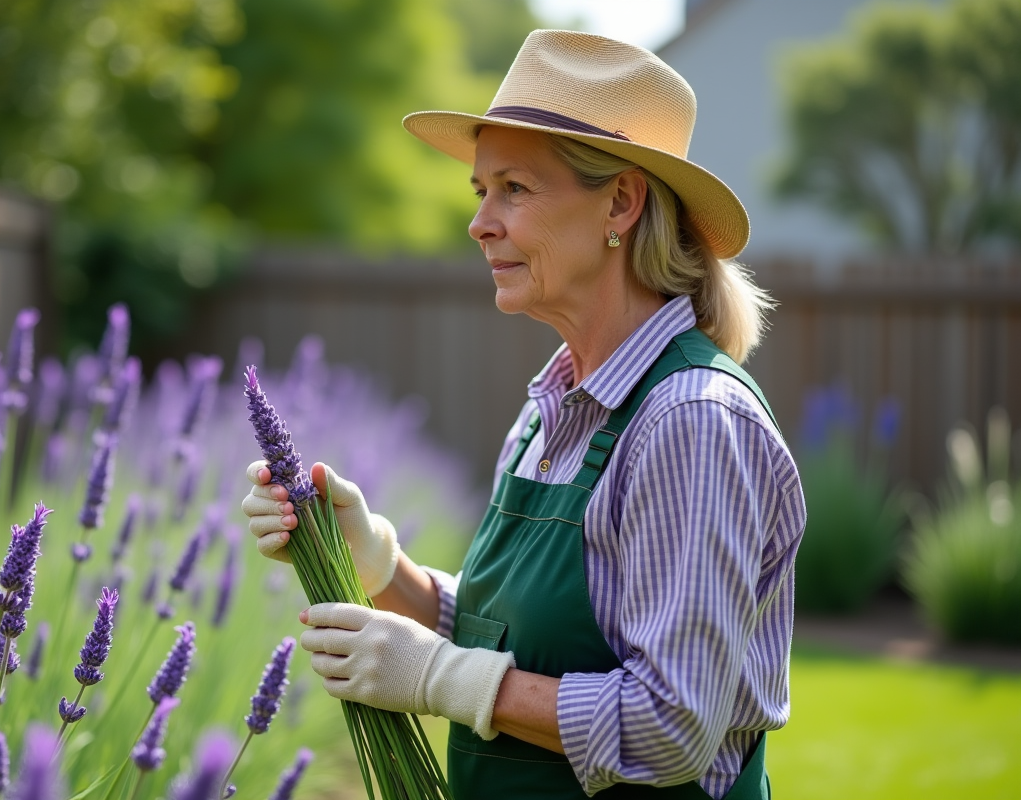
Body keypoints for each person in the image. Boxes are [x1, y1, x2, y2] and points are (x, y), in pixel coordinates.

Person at [242, 29, 806, 800]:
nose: (480, 223)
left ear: (620, 200)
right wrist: (378, 564)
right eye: (482, 191)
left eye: (515, 187)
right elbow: (519, 639)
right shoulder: (553, 408)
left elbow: (672, 725)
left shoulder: (692, 423)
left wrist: (441, 677)